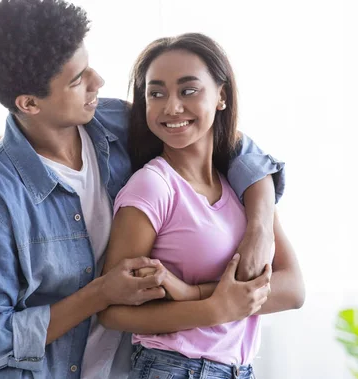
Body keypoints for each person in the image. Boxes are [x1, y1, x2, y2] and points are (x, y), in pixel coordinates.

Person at [0, 1, 286, 378]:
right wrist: (100, 293)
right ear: (29, 103)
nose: (98, 81)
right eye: (78, 79)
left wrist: (259, 228)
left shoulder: (114, 123)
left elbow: (236, 147)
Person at [98, 33, 305, 379]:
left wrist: (196, 294)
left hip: (239, 369)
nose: (172, 107)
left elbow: (293, 289)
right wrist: (212, 310)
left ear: (221, 96)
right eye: (156, 93)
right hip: (171, 367)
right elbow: (110, 311)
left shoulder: (243, 187)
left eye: (188, 90)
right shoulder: (152, 186)